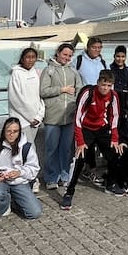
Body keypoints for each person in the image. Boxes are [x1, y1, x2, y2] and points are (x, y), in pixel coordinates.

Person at [61, 70, 124, 208]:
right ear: (98, 83)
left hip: (101, 128)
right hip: (86, 128)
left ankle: (110, 184)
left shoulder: (113, 96)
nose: (105, 88)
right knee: (79, 158)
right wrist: (81, 141)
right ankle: (69, 193)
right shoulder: (88, 93)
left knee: (114, 153)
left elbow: (115, 117)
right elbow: (77, 118)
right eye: (103, 85)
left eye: (108, 85)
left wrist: (114, 138)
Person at [39, 43, 82, 190]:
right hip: (53, 116)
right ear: (58, 53)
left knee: (66, 149)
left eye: (70, 56)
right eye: (65, 54)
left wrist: (76, 105)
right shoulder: (48, 70)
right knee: (51, 149)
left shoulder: (73, 71)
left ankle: (64, 176)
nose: (67, 58)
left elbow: (80, 91)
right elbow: (43, 91)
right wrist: (62, 89)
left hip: (69, 117)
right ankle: (51, 177)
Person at [0, 118, 42, 219]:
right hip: (3, 183)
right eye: (8, 131)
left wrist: (20, 172)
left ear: (19, 132)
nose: (11, 134)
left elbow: (34, 168)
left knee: (34, 213)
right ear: (4, 132)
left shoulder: (27, 148)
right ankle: (5, 204)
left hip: (20, 183)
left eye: (15, 131)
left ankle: (16, 201)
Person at [7, 47, 44, 145]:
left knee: (30, 148)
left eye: (33, 57)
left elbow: (41, 96)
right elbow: (15, 99)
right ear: (22, 59)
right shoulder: (16, 74)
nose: (30, 60)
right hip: (22, 120)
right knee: (28, 150)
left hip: (36, 120)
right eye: (28, 57)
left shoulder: (37, 73)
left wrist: (39, 116)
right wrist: (31, 117)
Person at [110, 45, 128, 110]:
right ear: (114, 56)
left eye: (123, 56)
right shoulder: (109, 70)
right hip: (112, 103)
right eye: (118, 56)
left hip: (126, 104)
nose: (120, 59)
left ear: (125, 57)